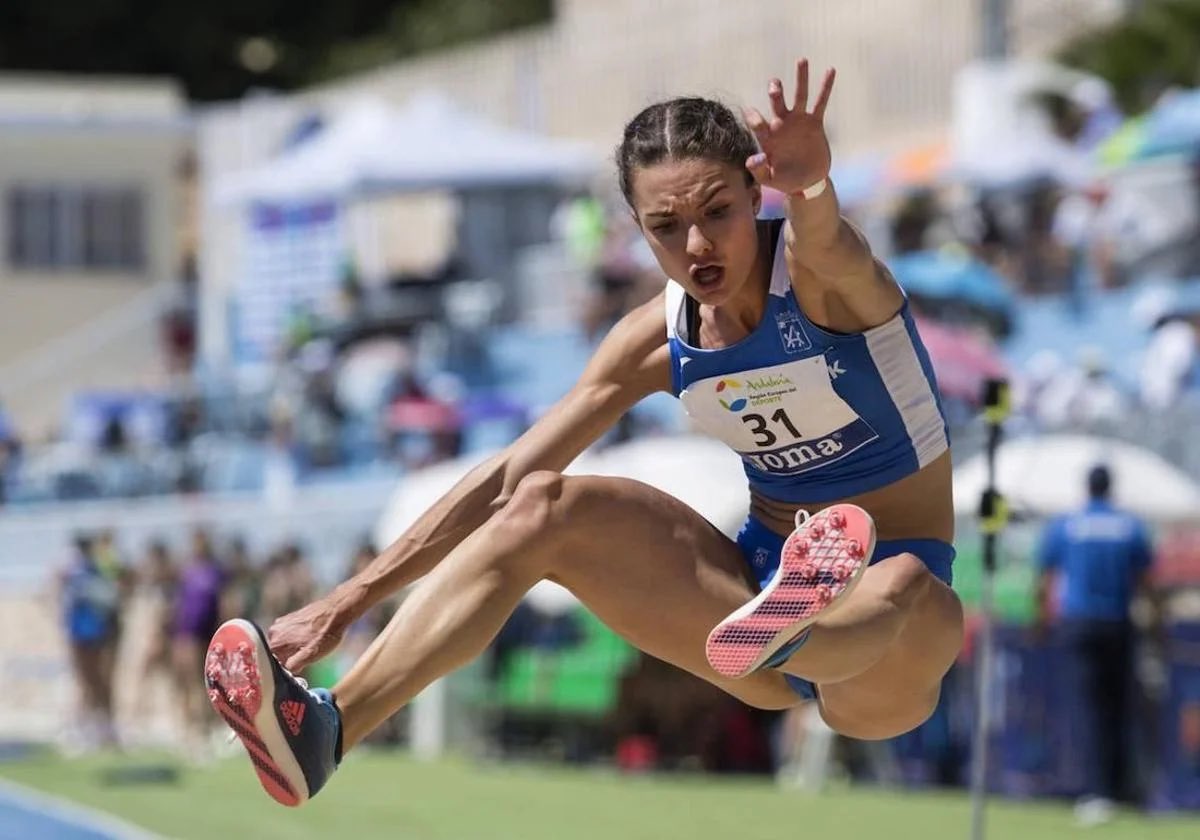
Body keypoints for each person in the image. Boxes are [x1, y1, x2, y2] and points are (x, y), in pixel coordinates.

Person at [204, 59, 964, 807]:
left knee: (902, 586)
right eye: (667, 226)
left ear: (754, 193)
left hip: (889, 648)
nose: (697, 245)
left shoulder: (820, 280)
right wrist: (347, 600)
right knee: (541, 503)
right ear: (636, 228)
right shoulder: (654, 342)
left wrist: (811, 190)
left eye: (718, 213)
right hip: (746, 589)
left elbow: (828, 241)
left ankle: (800, 627)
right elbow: (503, 481)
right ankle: (328, 730)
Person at [1036, 464, 1157, 826]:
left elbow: (1046, 579)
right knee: (1117, 708)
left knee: (1087, 709)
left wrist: (1040, 621)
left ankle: (1096, 791)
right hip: (1118, 622)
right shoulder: (1130, 526)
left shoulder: (1067, 524)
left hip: (1079, 624)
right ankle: (1118, 789)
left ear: (1087, 487)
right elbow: (1146, 581)